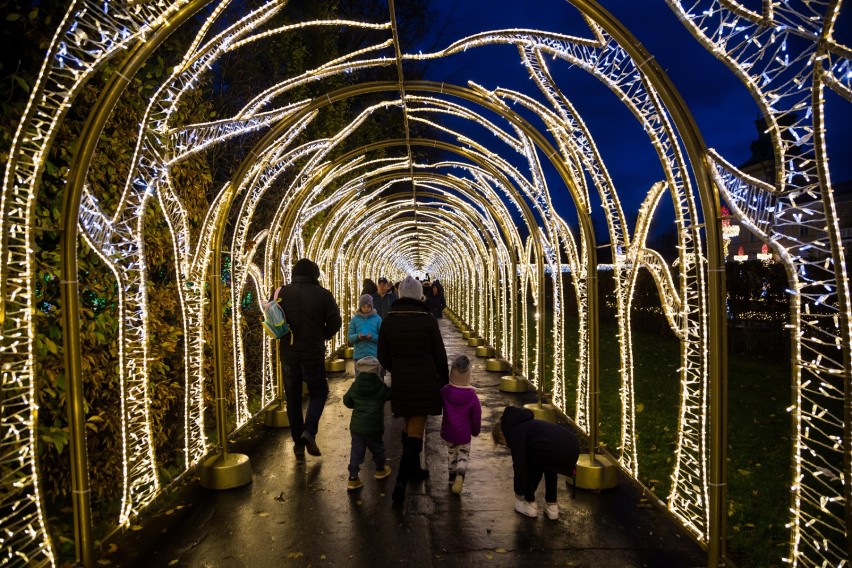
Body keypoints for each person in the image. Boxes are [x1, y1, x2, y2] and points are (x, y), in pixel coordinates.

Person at [377, 275, 449, 503]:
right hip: (425, 379)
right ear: (419, 295)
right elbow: (439, 352)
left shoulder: (389, 321)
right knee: (417, 427)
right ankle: (401, 480)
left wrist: (395, 367)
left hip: (401, 380)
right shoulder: (427, 319)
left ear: (398, 294)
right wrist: (443, 379)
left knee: (409, 423)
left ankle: (415, 469)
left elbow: (382, 356)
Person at [276, 258, 342, 458]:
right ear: (314, 275)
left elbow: (273, 319)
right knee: (319, 391)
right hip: (312, 352)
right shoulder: (323, 295)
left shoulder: (282, 293)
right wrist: (324, 334)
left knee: (293, 398)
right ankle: (309, 430)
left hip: (289, 353)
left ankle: (298, 444)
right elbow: (335, 321)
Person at [499, 405, 580, 520]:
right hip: (572, 447)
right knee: (549, 464)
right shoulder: (531, 426)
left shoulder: (515, 433)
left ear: (502, 435)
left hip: (552, 450)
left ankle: (530, 503)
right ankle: (552, 506)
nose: (506, 446)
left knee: (532, 464)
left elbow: (520, 466)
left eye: (502, 443)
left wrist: (519, 492)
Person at [343, 357, 393, 491]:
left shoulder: (356, 385)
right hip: (374, 427)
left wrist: (356, 403)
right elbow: (389, 395)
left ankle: (353, 478)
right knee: (377, 448)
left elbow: (347, 402)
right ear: (376, 371)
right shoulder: (379, 385)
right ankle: (380, 469)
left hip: (357, 428)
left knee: (356, 452)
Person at [440, 355, 481, 494]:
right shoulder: (472, 396)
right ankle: (460, 475)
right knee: (462, 455)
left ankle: (451, 478)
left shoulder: (445, 391)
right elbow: (476, 417)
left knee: (451, 455)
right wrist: (475, 431)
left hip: (448, 432)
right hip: (464, 434)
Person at [347, 294, 381, 361]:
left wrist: (372, 337)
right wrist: (358, 337)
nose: (366, 309)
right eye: (364, 307)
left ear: (372, 307)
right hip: (359, 356)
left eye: (368, 306)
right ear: (360, 307)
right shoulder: (354, 319)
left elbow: (382, 337)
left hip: (374, 355)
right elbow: (350, 337)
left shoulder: (378, 319)